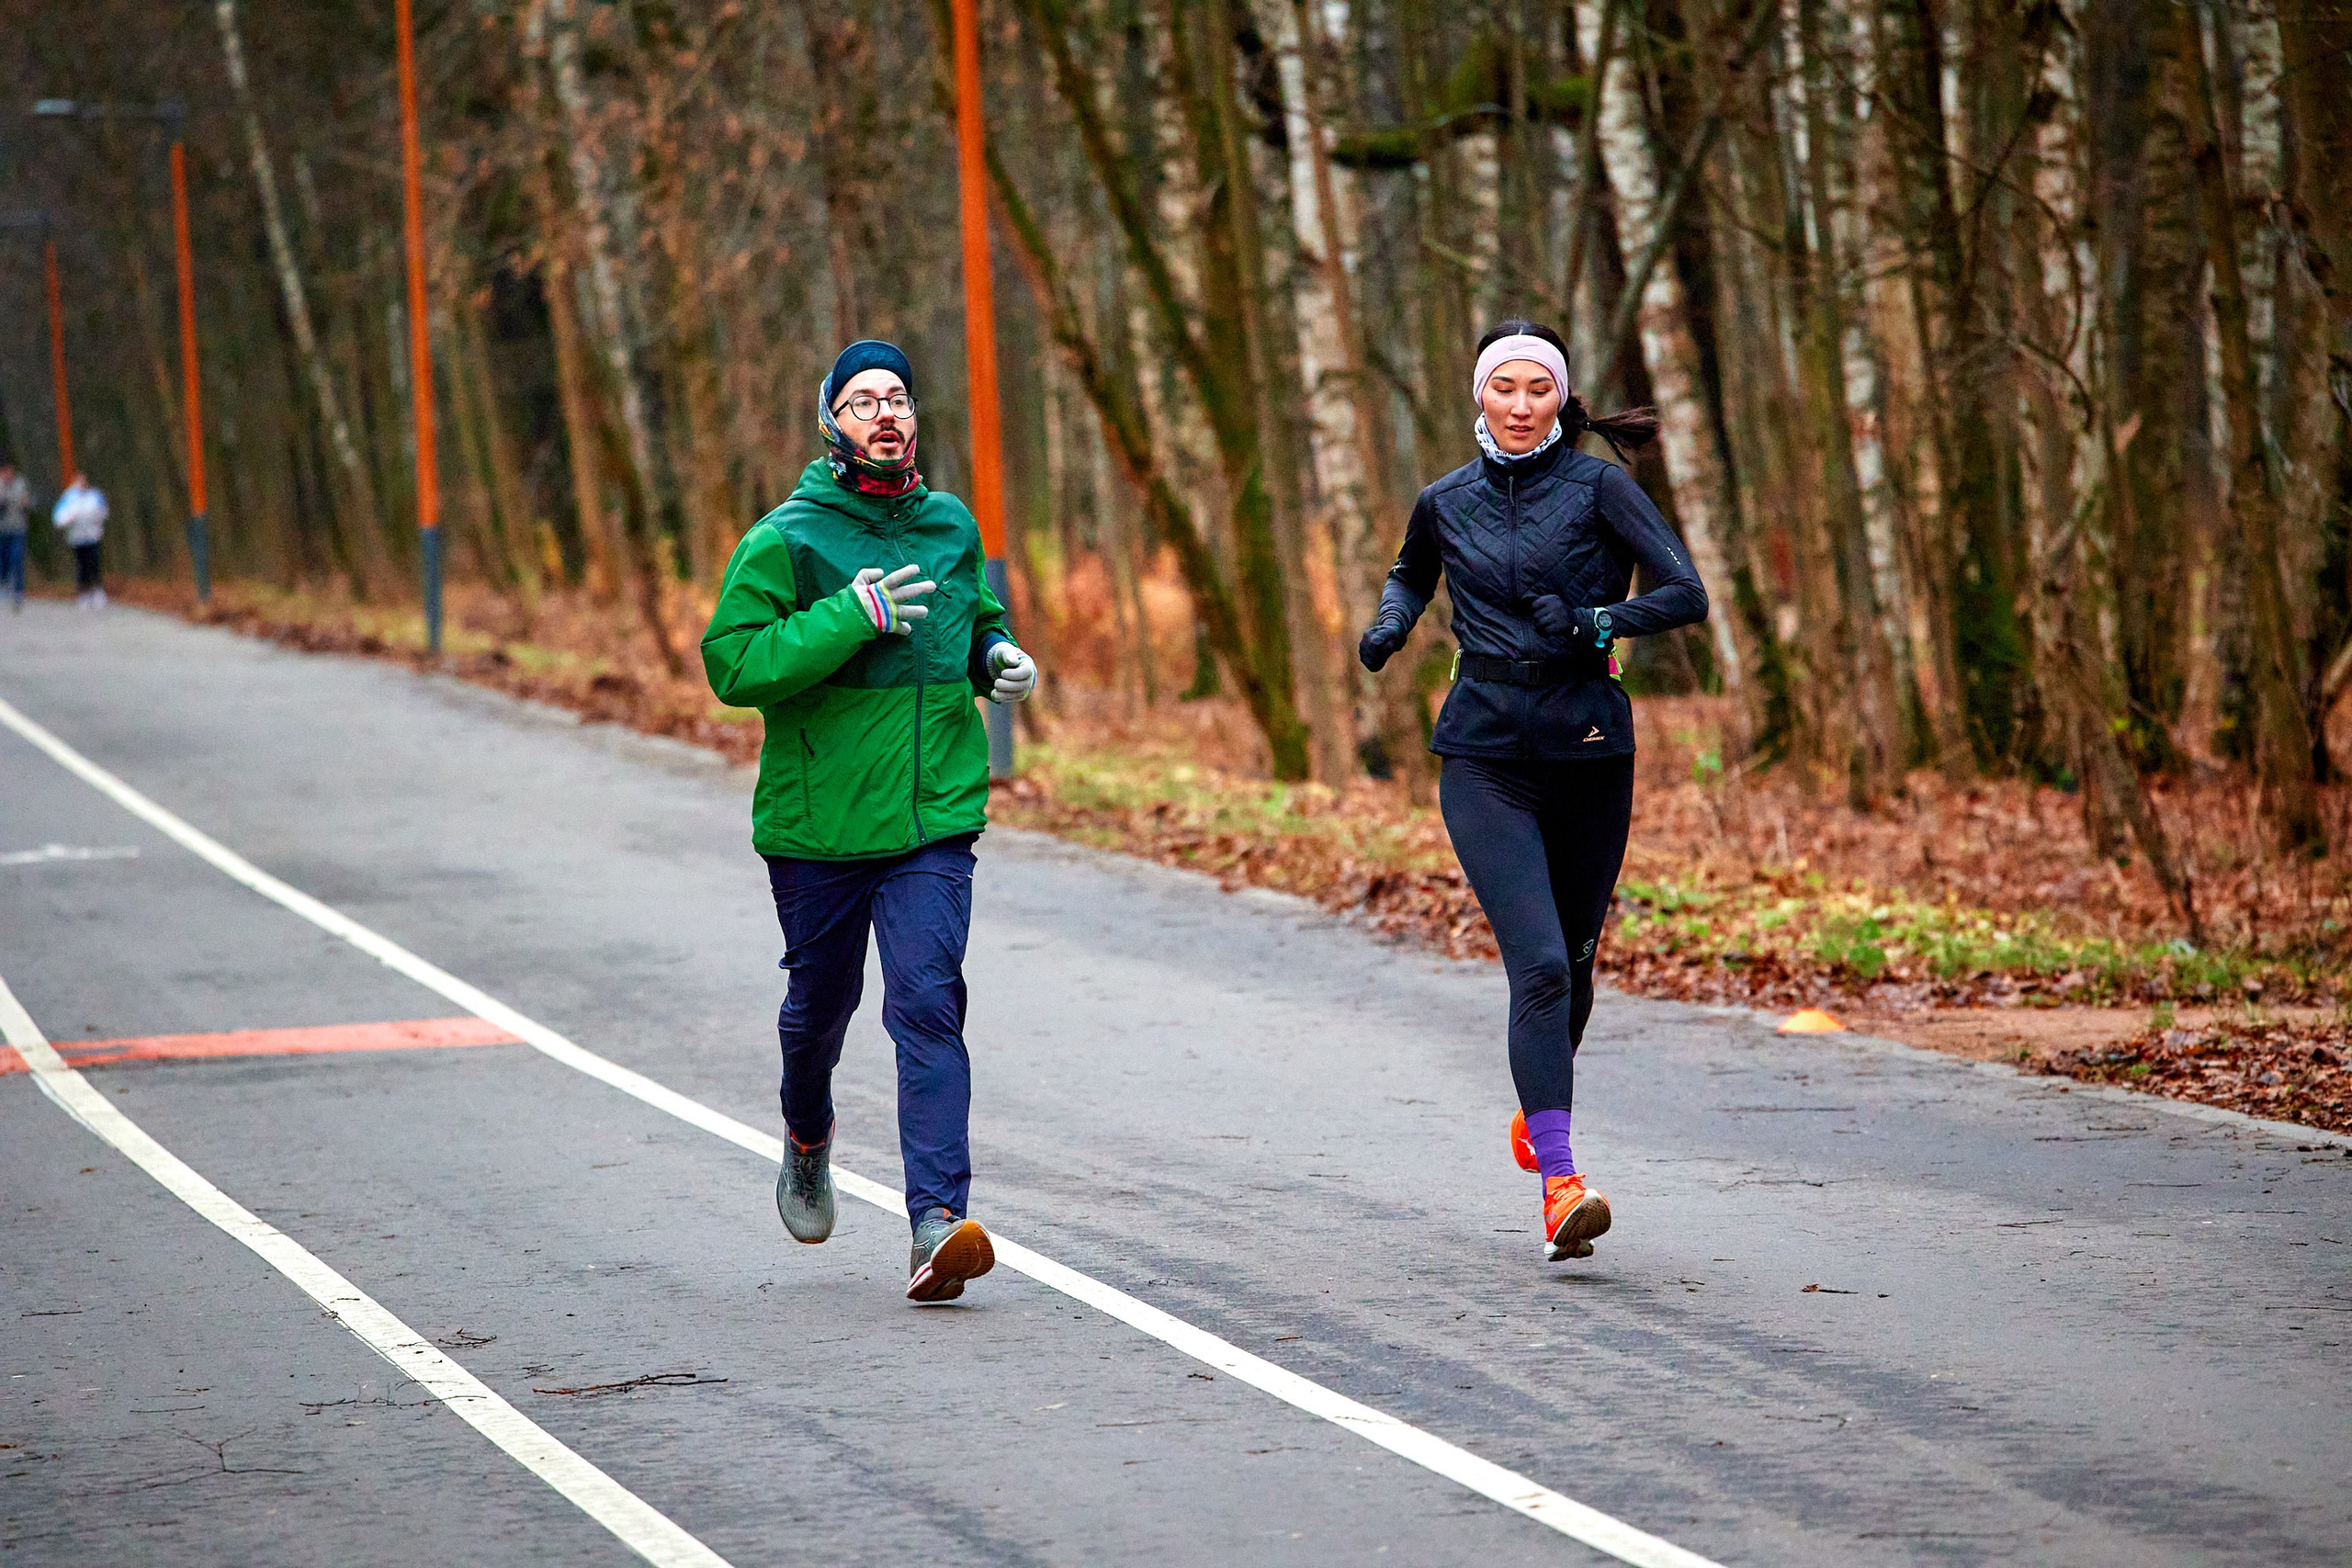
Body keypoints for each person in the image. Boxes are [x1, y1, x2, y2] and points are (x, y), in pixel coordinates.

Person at [1357, 320, 1706, 1265]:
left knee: (1577, 969)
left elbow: (1685, 593)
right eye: (1502, 388)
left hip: (1590, 748)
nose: (1518, 406)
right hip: (1484, 754)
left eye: (1536, 390)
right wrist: (1390, 624)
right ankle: (1560, 1187)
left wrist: (1597, 617)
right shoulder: (1446, 499)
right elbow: (1409, 573)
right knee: (1542, 965)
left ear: (1559, 397)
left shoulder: (1599, 488)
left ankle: (1536, 1114)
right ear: (1479, 394)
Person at [702, 340, 1039, 1303]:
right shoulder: (789, 538)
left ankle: (936, 1222)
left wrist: (996, 657)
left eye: (898, 397)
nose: (886, 414)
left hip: (932, 817)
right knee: (819, 1012)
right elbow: (734, 664)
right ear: (831, 425)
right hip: (820, 826)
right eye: (863, 402)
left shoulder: (946, 524)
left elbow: (973, 617)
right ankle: (807, 1135)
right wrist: (847, 616)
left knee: (927, 1002)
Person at [51, 472, 107, 610]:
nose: (81, 484)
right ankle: (84, 593)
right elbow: (58, 518)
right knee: (82, 566)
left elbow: (104, 511)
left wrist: (97, 520)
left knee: (94, 564)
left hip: (93, 536)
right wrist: (69, 518)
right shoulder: (69, 497)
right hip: (77, 538)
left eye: (83, 481)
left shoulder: (94, 495)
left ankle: (97, 591)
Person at [0, 460, 28, 611]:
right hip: (2, 530)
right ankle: (3, 583)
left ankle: (18, 591)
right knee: (3, 561)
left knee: (17, 559)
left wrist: (23, 502)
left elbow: (25, 501)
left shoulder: (20, 483)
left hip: (18, 529)